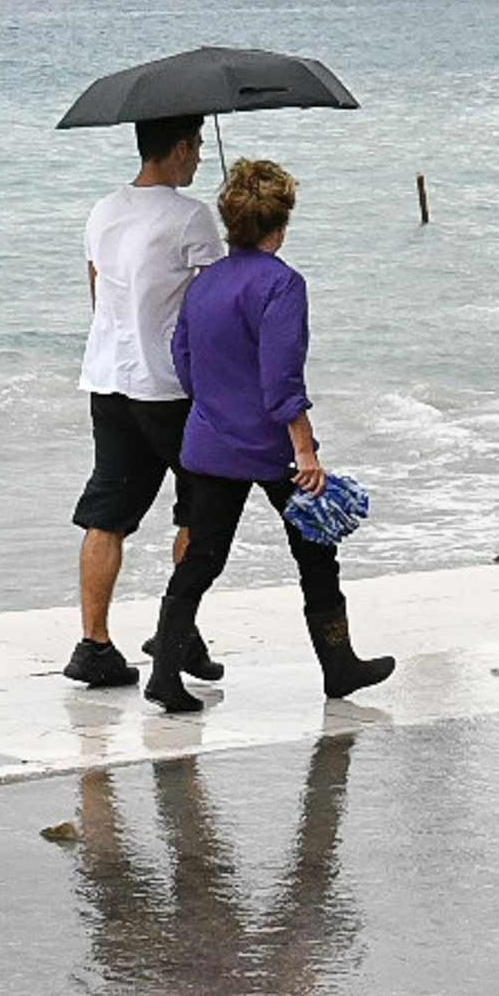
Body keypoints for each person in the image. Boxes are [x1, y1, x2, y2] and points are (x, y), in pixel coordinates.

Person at [147, 158, 394, 713]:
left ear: (231, 224)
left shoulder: (204, 283)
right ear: (279, 225)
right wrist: (304, 448)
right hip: (270, 447)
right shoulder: (282, 284)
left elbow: (182, 358)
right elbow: (282, 378)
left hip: (209, 441)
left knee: (202, 561)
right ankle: (338, 664)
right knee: (316, 548)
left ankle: (165, 673)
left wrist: (213, 404)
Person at [66, 114, 228, 690]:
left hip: (108, 377)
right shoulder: (192, 217)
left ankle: (94, 644)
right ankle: (176, 632)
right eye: (199, 147)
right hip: (168, 388)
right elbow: (214, 310)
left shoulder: (103, 209)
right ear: (180, 148)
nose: (202, 158)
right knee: (200, 508)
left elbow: (96, 288)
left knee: (107, 513)